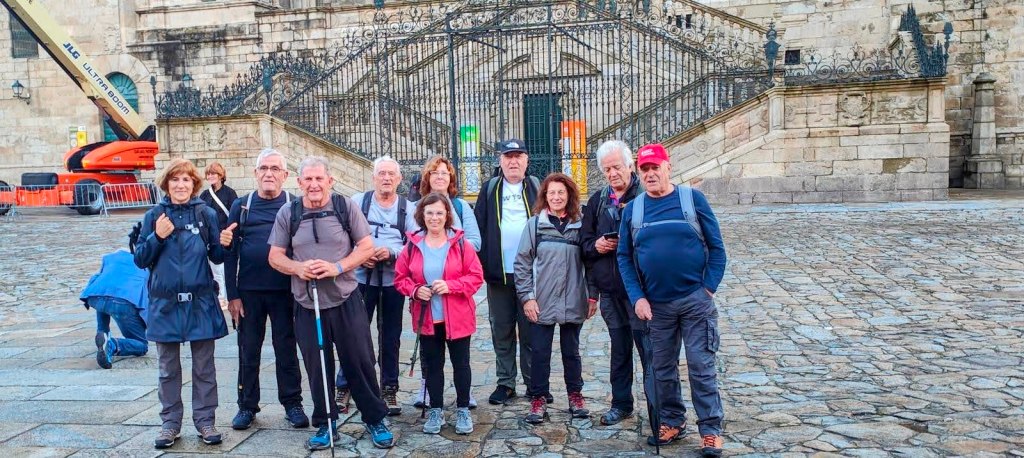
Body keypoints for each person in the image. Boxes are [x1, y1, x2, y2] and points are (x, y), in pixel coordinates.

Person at [267, 156, 395, 451]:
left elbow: (366, 247)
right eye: (307, 180)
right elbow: (275, 255)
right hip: (307, 302)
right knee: (317, 365)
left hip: (345, 297)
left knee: (360, 361)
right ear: (298, 183)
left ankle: (375, 418)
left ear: (329, 181)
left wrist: (337, 267)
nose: (313, 185)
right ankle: (326, 423)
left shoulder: (344, 206)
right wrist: (297, 269)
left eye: (318, 179)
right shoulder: (290, 212)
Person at [617, 144, 727, 457]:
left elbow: (717, 248)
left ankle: (710, 429)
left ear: (668, 167)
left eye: (655, 167)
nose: (650, 174)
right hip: (656, 306)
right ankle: (673, 421)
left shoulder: (693, 200)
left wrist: (708, 288)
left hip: (695, 302)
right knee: (662, 369)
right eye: (644, 169)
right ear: (639, 173)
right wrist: (637, 297)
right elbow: (624, 257)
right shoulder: (634, 210)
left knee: (700, 366)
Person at [133, 158, 228, 449]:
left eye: (186, 179)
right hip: (165, 303)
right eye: (175, 180)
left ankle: (205, 421)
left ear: (194, 184)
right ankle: (170, 424)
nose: (181, 185)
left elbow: (216, 256)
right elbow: (140, 258)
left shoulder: (207, 214)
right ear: (166, 183)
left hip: (200, 302)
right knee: (167, 369)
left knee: (204, 367)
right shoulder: (154, 216)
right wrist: (157, 238)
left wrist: (225, 243)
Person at [219, 148, 308, 430]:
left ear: (285, 175)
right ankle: (247, 406)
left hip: (285, 292)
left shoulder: (294, 204)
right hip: (249, 292)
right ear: (256, 173)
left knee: (286, 349)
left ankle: (292, 403)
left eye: (275, 169)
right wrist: (232, 295)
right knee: (248, 350)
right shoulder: (242, 206)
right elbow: (230, 253)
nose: (269, 174)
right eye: (264, 169)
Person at [394, 192, 484, 435]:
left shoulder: (462, 244)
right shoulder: (412, 246)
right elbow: (400, 279)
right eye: (430, 213)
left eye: (439, 213)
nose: (434, 217)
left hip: (457, 316)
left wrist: (451, 286)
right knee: (433, 366)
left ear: (447, 216)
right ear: (422, 215)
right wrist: (414, 290)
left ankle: (463, 408)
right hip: (427, 319)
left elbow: (476, 277)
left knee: (461, 364)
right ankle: (435, 409)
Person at [335, 155, 417, 416]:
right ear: (373, 177)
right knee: (354, 333)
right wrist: (364, 253)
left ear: (399, 179)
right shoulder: (359, 202)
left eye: (391, 174)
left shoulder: (409, 208)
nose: (386, 178)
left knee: (390, 336)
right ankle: (345, 384)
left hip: (393, 281)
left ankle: (389, 388)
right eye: (381, 173)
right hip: (360, 279)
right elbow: (344, 235)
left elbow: (414, 244)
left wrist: (391, 253)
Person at [513, 173, 596, 424]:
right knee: (539, 352)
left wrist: (592, 296)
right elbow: (522, 263)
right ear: (545, 197)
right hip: (542, 300)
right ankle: (538, 398)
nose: (557, 197)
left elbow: (590, 263)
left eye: (561, 192)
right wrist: (527, 298)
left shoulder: (580, 225)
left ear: (569, 195)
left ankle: (575, 396)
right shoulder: (535, 225)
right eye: (552, 193)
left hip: (573, 298)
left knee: (572, 352)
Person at [579, 140, 650, 426]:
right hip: (610, 291)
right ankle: (621, 404)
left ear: (630, 166)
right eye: (607, 169)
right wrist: (597, 245)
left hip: (640, 293)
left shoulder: (645, 196)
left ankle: (660, 408)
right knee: (619, 350)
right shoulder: (597, 201)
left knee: (649, 351)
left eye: (617, 167)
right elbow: (583, 245)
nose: (612, 173)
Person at [473, 138, 542, 405]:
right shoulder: (490, 189)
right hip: (498, 274)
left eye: (518, 156)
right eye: (508, 156)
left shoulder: (537, 187)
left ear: (526, 160)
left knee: (530, 330)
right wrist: (481, 265)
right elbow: (479, 227)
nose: (513, 161)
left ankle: (533, 382)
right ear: (500, 161)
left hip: (531, 275)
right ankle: (506, 382)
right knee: (501, 329)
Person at [411, 155, 481, 409]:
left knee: (460, 355)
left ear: (451, 178)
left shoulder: (461, 207)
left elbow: (475, 241)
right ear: (426, 177)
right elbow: (412, 245)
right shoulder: (416, 208)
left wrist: (451, 249)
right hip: (427, 295)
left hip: (455, 287)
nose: (440, 177)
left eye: (445, 172)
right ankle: (427, 387)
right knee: (430, 349)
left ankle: (464, 394)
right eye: (434, 172)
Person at [81, 223, 149, 370]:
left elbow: (98, 277)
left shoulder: (112, 256)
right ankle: (112, 344)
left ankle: (102, 334)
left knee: (105, 297)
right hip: (123, 301)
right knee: (141, 345)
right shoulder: (147, 263)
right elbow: (147, 298)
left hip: (96, 295)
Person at [199, 162, 238, 307]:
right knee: (214, 267)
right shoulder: (204, 194)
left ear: (221, 176)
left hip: (225, 235)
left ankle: (227, 296)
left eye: (213, 173)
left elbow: (234, 214)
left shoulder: (230, 193)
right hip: (211, 236)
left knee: (225, 267)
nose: (210, 176)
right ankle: (220, 295)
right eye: (208, 174)